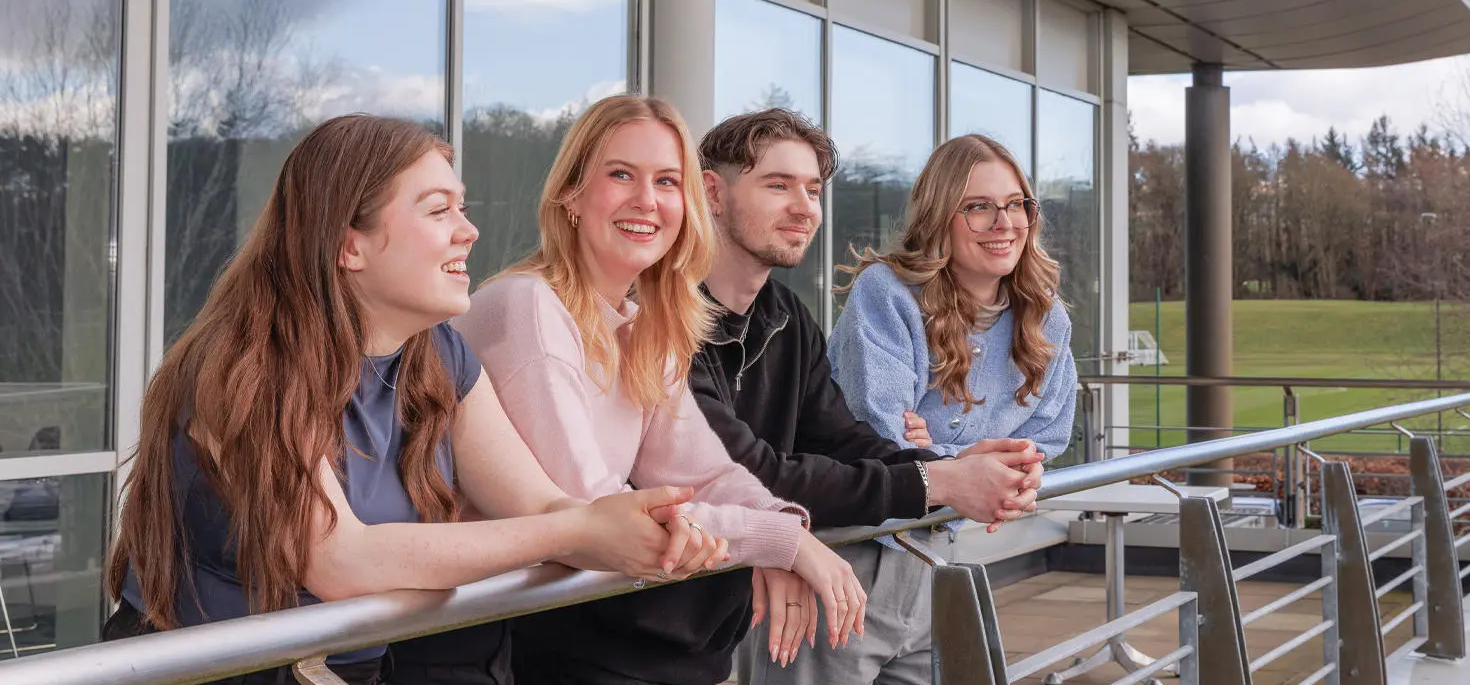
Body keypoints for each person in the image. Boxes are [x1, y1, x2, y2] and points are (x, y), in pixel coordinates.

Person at [106, 114, 700, 685]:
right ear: (348, 247)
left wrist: (641, 526)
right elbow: (341, 560)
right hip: (208, 673)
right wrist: (581, 533)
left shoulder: (440, 354)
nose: (469, 230)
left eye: (461, 208)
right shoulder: (247, 366)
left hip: (339, 668)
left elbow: (539, 505)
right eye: (439, 210)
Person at [450, 95, 865, 685]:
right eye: (622, 174)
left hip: (567, 628)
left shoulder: (646, 322)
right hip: (490, 646)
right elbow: (597, 515)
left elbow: (704, 471)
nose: (647, 200)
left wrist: (784, 533)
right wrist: (779, 543)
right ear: (571, 193)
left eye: (667, 182)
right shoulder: (527, 306)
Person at [685, 109, 1045, 677]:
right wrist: (942, 478)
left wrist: (945, 464)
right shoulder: (660, 318)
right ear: (712, 191)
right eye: (778, 185)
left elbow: (838, 439)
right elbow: (737, 469)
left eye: (813, 189)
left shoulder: (785, 316)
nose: (804, 207)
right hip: (619, 622)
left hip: (724, 610)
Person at [779, 133, 1080, 683]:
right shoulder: (889, 293)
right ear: (941, 215)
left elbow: (1048, 435)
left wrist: (943, 454)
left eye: (1017, 204)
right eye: (978, 207)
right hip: (851, 549)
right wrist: (966, 466)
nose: (1004, 222)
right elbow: (879, 432)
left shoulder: (1046, 316)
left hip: (945, 552)